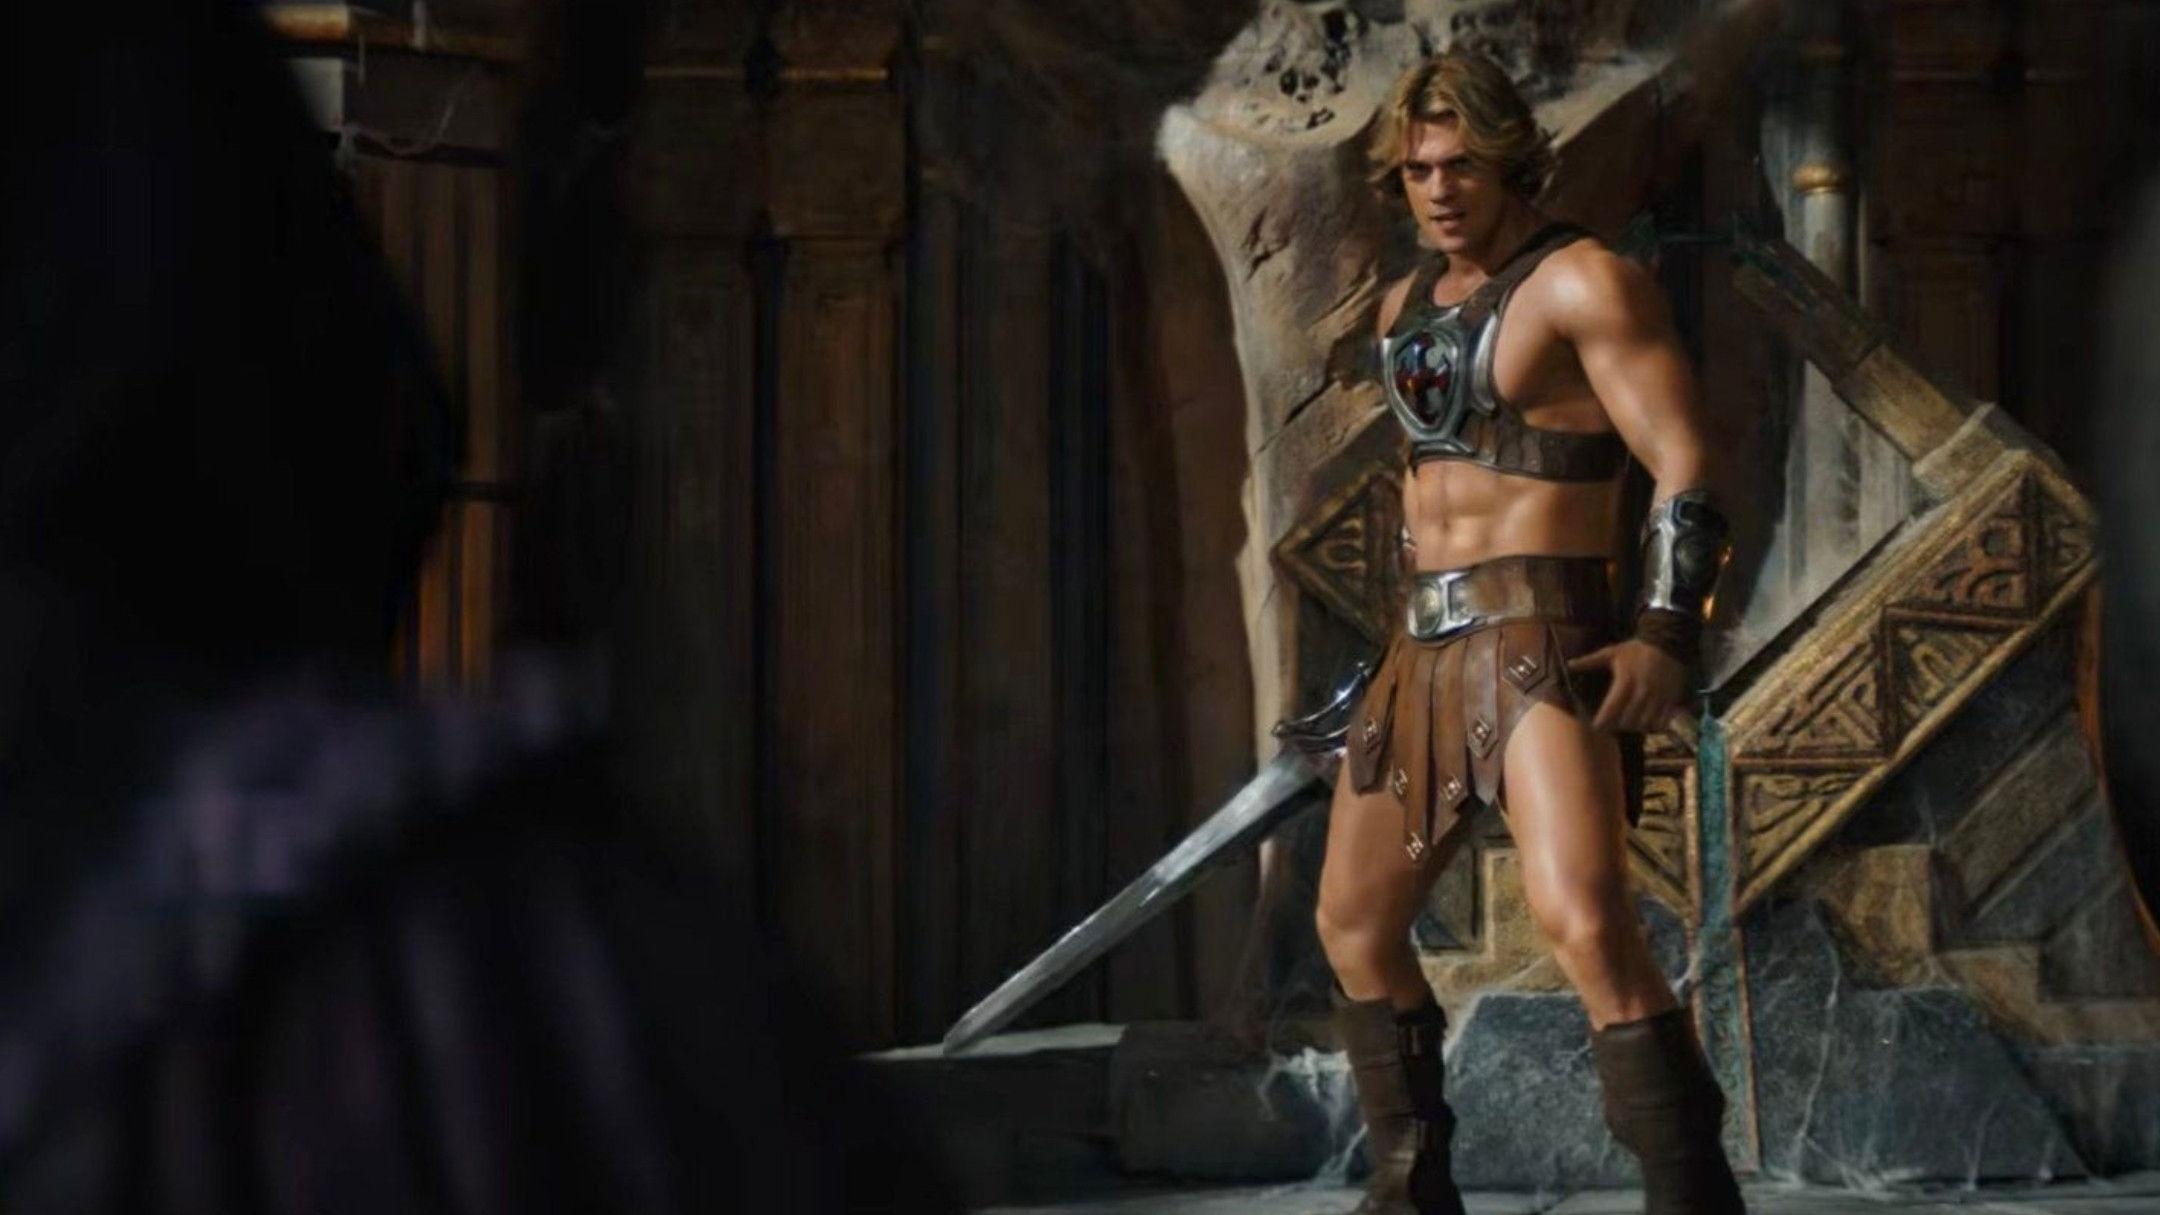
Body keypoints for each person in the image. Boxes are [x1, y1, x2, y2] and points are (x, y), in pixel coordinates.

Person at [1316, 51, 1744, 1215]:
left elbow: (1686, 461)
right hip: (1422, 652)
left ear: (1512, 162)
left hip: (1538, 638)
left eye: (1462, 165)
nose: (1440, 190)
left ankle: (1692, 1197)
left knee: (1587, 924)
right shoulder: (1405, 308)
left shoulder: (1584, 283)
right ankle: (1411, 1187)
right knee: (1352, 925)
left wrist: (1664, 633)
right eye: (1419, 171)